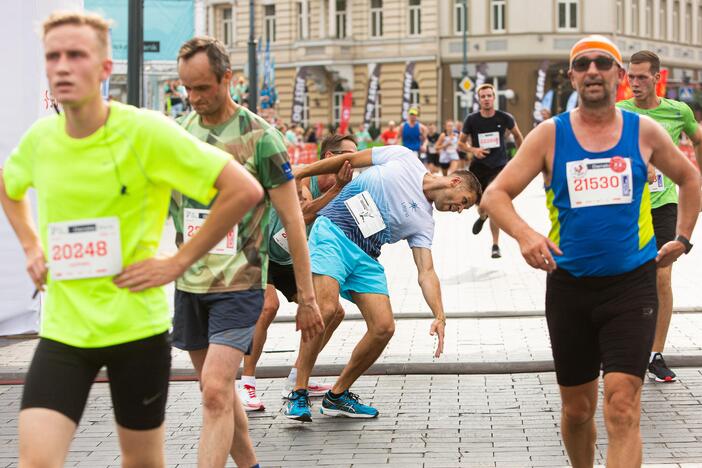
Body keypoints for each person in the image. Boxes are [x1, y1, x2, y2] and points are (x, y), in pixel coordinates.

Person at [0, 12, 265, 467]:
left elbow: (244, 190)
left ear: (105, 69)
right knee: (36, 461)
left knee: (141, 463)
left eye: (76, 55)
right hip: (65, 333)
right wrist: (30, 247)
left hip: (135, 334)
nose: (62, 66)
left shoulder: (147, 132)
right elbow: (9, 184)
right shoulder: (42, 138)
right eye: (53, 56)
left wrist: (178, 262)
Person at [482, 35, 700, 467]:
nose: (593, 70)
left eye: (604, 63)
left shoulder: (645, 131)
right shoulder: (550, 135)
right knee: (577, 411)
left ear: (619, 76)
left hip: (631, 287)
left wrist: (683, 237)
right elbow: (495, 195)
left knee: (622, 406)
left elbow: (690, 179)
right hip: (570, 288)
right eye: (583, 64)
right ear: (572, 76)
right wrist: (525, 235)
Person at [173, 36, 324, 467]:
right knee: (214, 391)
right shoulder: (180, 133)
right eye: (188, 89)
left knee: (219, 390)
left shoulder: (262, 137)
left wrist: (306, 296)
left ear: (227, 79)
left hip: (240, 285)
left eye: (203, 87)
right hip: (191, 284)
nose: (195, 98)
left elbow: (294, 219)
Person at [285, 145, 482, 422]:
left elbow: (426, 271)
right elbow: (350, 159)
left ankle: (337, 396)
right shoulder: (405, 159)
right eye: (464, 201)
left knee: (383, 327)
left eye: (464, 208)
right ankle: (298, 391)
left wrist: (440, 315)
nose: (459, 210)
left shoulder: (425, 223)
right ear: (455, 181)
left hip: (366, 255)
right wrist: (304, 170)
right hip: (333, 233)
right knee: (326, 308)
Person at [238, 134, 357, 411]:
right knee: (268, 306)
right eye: (351, 154)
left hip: (291, 260)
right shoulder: (302, 179)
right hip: (261, 249)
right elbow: (303, 213)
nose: (356, 160)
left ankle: (296, 378)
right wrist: (336, 188)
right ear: (330, 158)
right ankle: (245, 383)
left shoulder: (346, 186)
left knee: (332, 311)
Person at [617, 50, 702, 383]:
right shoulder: (619, 111)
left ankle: (655, 354)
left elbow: (696, 138)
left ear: (657, 77)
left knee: (661, 277)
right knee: (626, 275)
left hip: (664, 204)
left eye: (641, 77)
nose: (634, 83)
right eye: (630, 77)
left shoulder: (677, 110)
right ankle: (624, 343)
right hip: (625, 204)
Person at [459, 83, 524, 259]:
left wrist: (521, 157)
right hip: (479, 168)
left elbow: (518, 136)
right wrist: (474, 151)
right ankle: (482, 216)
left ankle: (495, 245)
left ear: (494, 98)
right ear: (479, 100)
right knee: (482, 207)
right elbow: (460, 143)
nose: (486, 99)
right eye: (483, 96)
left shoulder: (505, 118)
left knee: (494, 204)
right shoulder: (472, 120)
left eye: (489, 96)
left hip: (499, 166)